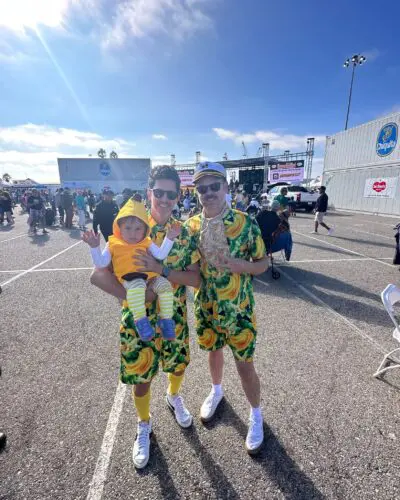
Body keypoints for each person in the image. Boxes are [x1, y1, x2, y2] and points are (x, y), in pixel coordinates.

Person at [90, 165, 201, 469]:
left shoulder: (184, 232)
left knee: (177, 365)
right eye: (159, 192)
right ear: (150, 192)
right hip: (136, 315)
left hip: (172, 314)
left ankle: (174, 396)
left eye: (171, 194)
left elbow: (196, 279)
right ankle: (143, 424)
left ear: (179, 195)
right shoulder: (133, 224)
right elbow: (97, 276)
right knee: (140, 376)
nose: (165, 199)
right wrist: (137, 296)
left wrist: (162, 269)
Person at [185, 162, 268, 455]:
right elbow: (188, 267)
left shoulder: (246, 223)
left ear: (226, 188)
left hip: (239, 310)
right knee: (213, 351)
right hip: (206, 307)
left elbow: (263, 263)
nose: (208, 193)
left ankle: (256, 414)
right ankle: (217, 391)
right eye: (202, 188)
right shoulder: (190, 226)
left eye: (214, 186)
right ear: (197, 193)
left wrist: (242, 266)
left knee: (245, 365)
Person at [83, 199, 181, 340]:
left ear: (145, 230)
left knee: (165, 286)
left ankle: (166, 320)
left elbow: (160, 254)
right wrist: (94, 247)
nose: (133, 233)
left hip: (151, 278)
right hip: (130, 278)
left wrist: (169, 238)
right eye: (127, 228)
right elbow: (101, 263)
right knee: (138, 286)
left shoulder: (146, 241)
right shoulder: (113, 243)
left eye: (138, 229)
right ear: (119, 228)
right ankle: (141, 321)